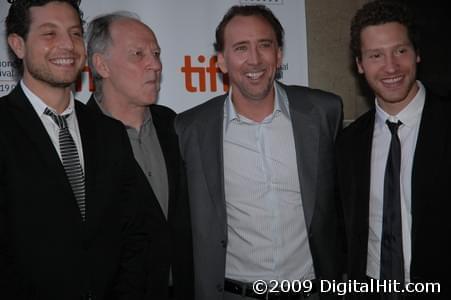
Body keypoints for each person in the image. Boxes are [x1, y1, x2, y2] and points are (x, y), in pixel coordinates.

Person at [175, 5, 344, 300]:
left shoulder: (323, 112)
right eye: (240, 48)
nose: (254, 59)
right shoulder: (191, 128)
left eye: (264, 46)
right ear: (222, 62)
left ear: (278, 55)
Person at [0, 1, 163, 299]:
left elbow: (134, 234)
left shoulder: (109, 131)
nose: (67, 45)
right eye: (50, 34)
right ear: (17, 45)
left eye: (75, 34)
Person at [336, 1, 450, 299]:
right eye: (376, 55)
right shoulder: (348, 143)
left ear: (417, 53)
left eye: (400, 51)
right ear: (359, 64)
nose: (390, 67)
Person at [86, 12, 193, 300]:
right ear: (102, 65)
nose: (155, 65)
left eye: (156, 54)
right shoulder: (79, 137)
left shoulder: (176, 126)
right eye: (138, 54)